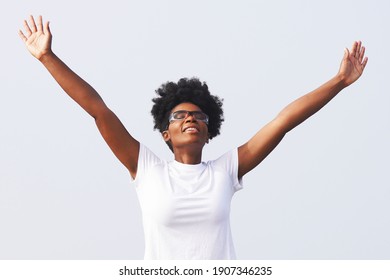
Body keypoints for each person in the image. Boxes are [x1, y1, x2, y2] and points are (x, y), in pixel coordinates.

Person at [19, 15, 368, 260]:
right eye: (180, 115)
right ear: (165, 133)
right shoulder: (147, 169)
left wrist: (338, 81)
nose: (190, 119)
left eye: (199, 116)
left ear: (208, 129)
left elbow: (283, 122)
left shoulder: (227, 170)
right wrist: (48, 57)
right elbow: (98, 109)